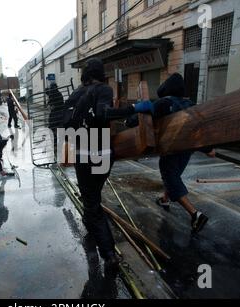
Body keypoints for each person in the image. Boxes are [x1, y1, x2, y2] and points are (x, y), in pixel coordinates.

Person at [69, 58, 135, 270]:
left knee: (91, 201)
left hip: (82, 155)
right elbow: (103, 113)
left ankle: (105, 249)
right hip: (101, 154)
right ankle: (109, 253)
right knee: (92, 201)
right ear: (102, 75)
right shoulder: (103, 89)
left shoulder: (75, 95)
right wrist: (132, 108)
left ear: (85, 76)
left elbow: (64, 124)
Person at [131, 73, 215, 234]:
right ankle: (164, 199)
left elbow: (145, 115)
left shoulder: (164, 103)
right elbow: (197, 128)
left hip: (171, 147)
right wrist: (208, 148)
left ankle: (195, 214)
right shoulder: (191, 104)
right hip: (187, 149)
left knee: (170, 176)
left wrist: (130, 121)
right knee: (174, 174)